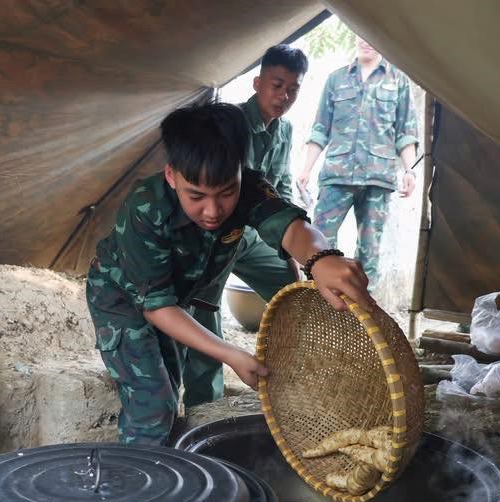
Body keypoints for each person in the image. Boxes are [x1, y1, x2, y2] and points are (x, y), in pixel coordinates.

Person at [86, 103, 372, 446]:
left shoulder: (250, 187)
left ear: (240, 173)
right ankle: (139, 486)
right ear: (171, 175)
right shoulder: (145, 207)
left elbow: (290, 227)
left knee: (170, 383)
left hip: (178, 298)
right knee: (153, 404)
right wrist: (231, 355)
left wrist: (322, 258)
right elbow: (156, 306)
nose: (212, 211)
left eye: (226, 193)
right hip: (122, 299)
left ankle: (165, 469)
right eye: (196, 196)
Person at [184, 44, 309, 406]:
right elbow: (211, 192)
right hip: (215, 233)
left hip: (254, 235)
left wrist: (292, 247)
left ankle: (291, 376)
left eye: (293, 89)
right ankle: (204, 404)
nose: (284, 95)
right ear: (258, 83)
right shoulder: (229, 123)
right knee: (205, 308)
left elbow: (281, 190)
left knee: (294, 294)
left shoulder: (284, 131)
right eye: (277, 84)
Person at [297, 36, 419, 290]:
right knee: (319, 241)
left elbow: (405, 133)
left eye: (372, 36)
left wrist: (410, 171)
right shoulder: (336, 79)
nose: (367, 41)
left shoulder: (398, 81)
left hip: (379, 178)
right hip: (337, 176)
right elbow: (320, 128)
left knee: (369, 252)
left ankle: (361, 314)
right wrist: (306, 169)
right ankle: (315, 301)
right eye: (362, 35)